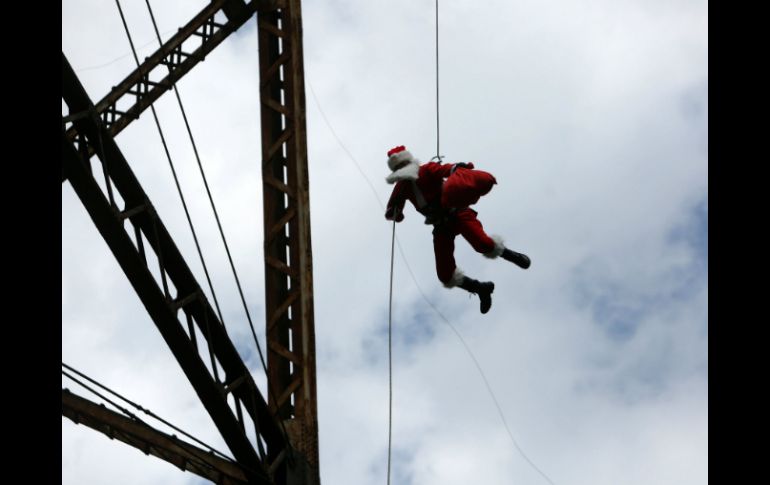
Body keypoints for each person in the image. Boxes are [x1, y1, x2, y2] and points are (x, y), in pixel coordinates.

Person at [384, 145, 530, 314]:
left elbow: (444, 170)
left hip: (458, 212)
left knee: (482, 243)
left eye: (402, 166)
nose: (401, 171)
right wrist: (394, 212)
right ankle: (481, 289)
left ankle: (510, 255)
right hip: (440, 225)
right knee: (445, 274)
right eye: (398, 169)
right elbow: (394, 207)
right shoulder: (402, 186)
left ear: (408, 162)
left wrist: (456, 168)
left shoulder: (426, 170)